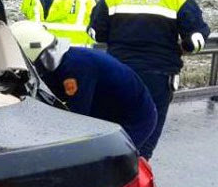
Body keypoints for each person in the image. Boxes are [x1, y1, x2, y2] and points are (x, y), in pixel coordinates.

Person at [89, 0, 211, 159]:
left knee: (113, 130)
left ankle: (106, 169)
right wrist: (185, 47)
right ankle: (136, 170)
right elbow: (197, 40)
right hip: (158, 76)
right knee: (145, 135)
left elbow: (95, 33)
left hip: (117, 71)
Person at [11, 21, 158, 153]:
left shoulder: (76, 68)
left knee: (107, 163)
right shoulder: (57, 64)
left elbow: (77, 119)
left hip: (134, 120)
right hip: (108, 112)